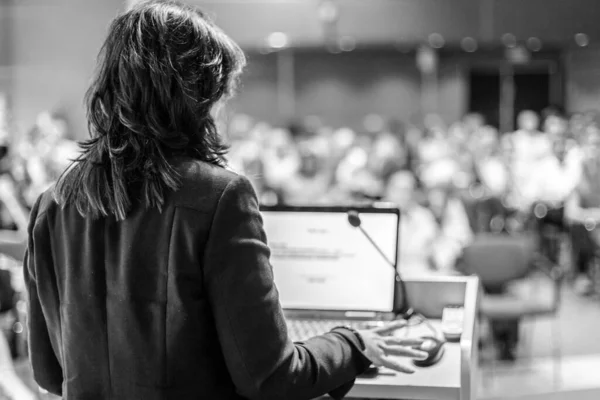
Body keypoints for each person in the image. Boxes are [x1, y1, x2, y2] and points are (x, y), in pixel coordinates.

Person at [24, 2, 427, 399]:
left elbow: (47, 371)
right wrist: (352, 344)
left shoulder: (51, 203)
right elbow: (271, 378)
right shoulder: (220, 197)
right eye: (220, 95)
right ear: (195, 99)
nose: (223, 110)